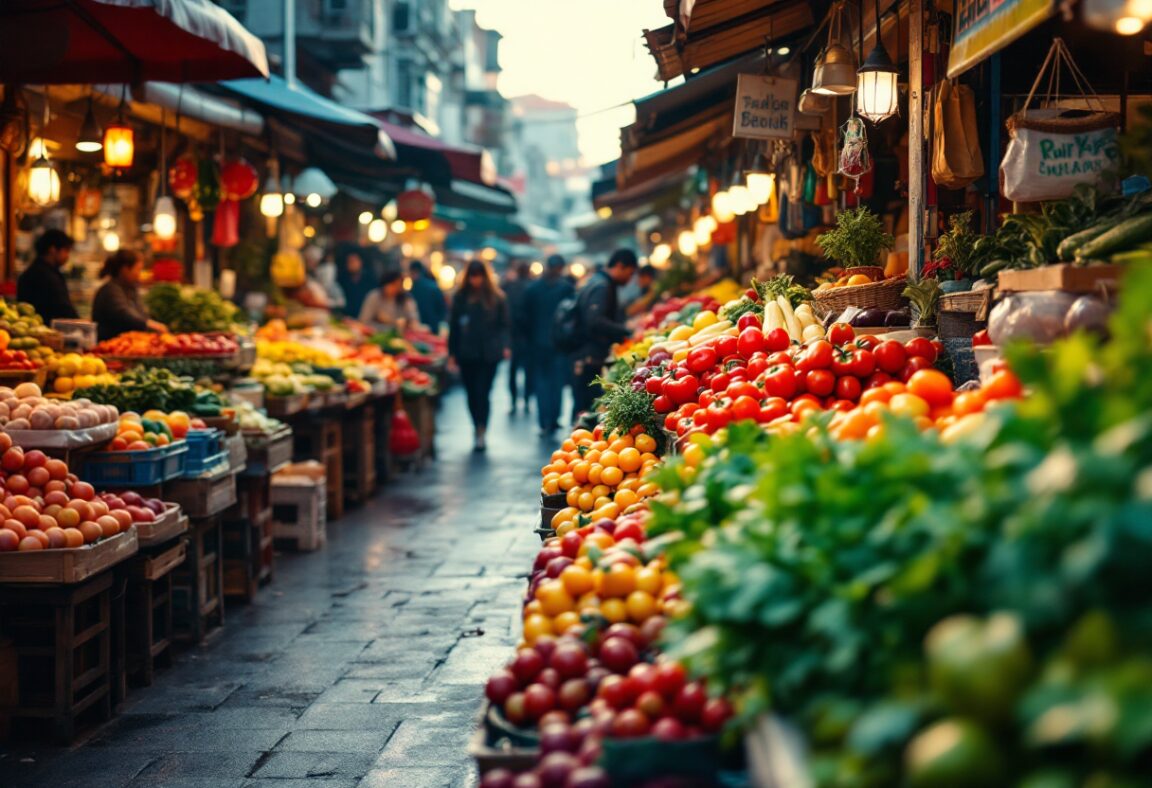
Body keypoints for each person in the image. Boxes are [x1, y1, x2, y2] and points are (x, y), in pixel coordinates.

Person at [448, 260, 510, 452]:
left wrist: (505, 345)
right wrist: (452, 353)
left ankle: (482, 428)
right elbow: (454, 328)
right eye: (473, 275)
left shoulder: (496, 297)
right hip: (467, 353)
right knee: (472, 393)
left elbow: (505, 324)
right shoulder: (460, 297)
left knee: (484, 392)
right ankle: (477, 425)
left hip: (489, 353)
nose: (476, 280)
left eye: (479, 275)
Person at [571, 249, 638, 421]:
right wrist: (624, 330)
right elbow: (595, 321)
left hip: (584, 353)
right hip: (589, 355)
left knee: (583, 406)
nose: (629, 279)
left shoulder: (597, 281)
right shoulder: (602, 286)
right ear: (619, 266)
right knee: (585, 408)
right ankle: (579, 442)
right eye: (629, 274)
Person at [523, 255, 575, 436]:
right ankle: (552, 419)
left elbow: (523, 318)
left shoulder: (532, 289)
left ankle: (545, 420)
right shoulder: (566, 289)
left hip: (538, 343)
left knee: (543, 382)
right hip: (558, 343)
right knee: (555, 382)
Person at [91, 250, 168, 342]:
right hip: (110, 346)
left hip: (129, 344)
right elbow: (124, 314)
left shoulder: (130, 288)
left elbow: (140, 313)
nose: (139, 274)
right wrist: (150, 324)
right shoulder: (110, 290)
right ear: (125, 269)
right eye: (138, 269)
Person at [18, 228, 78, 325]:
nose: (67, 256)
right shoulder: (46, 276)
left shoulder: (35, 270)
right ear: (53, 249)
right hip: (44, 331)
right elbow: (62, 308)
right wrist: (78, 322)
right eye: (66, 251)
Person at [503, 260, 534, 414]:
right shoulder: (531, 287)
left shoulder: (509, 287)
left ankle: (514, 400)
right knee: (528, 370)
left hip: (513, 335)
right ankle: (527, 398)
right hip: (528, 336)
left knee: (513, 370)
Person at [336, 246, 376, 319]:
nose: (352, 264)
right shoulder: (342, 280)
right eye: (349, 261)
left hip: (365, 319)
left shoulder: (370, 280)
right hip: (345, 319)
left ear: (361, 262)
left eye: (354, 261)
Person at [408, 260, 447, 331]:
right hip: (434, 325)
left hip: (421, 327)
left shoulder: (415, 288)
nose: (411, 276)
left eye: (411, 273)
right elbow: (442, 308)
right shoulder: (434, 286)